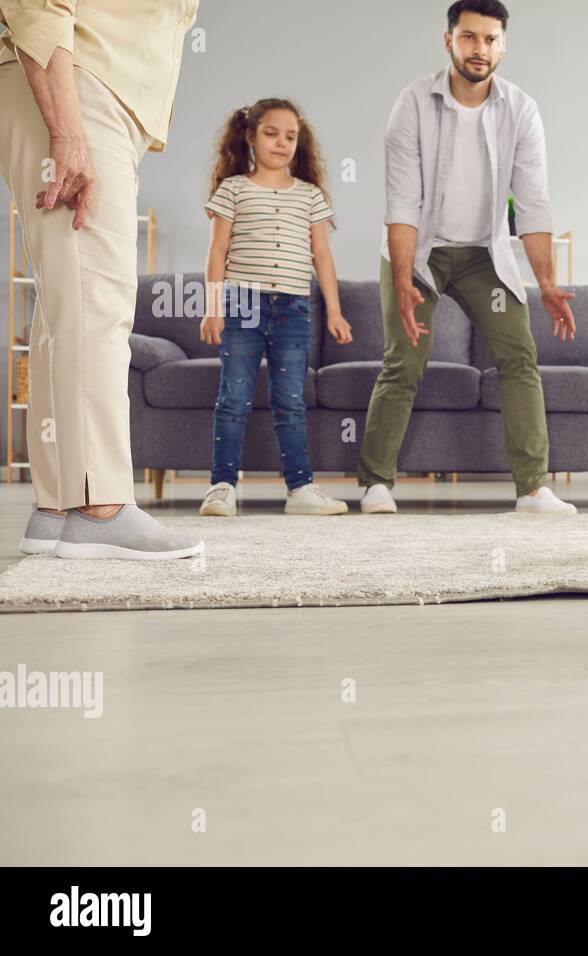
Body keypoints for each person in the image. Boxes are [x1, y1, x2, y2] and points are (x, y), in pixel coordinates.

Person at [356, 0, 578, 515]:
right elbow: (401, 201)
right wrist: (408, 274)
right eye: (470, 37)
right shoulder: (411, 103)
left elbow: (533, 201)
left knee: (519, 357)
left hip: (485, 258)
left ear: (503, 44)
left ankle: (532, 488)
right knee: (404, 360)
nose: (481, 49)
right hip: (421, 253)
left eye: (491, 39)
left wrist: (545, 282)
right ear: (449, 41)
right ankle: (375, 483)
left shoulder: (521, 109)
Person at [1, 0, 205, 560]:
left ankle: (60, 505)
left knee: (68, 303)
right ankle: (102, 507)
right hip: (76, 86)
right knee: (97, 301)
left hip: (84, 88)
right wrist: (67, 130)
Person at [198, 99, 353, 517]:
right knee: (234, 397)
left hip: (293, 309)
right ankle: (222, 486)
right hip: (241, 304)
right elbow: (218, 251)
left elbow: (322, 256)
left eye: (290, 136)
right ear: (249, 136)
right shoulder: (232, 189)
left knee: (290, 401)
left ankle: (300, 488)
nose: (281, 143)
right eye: (271, 133)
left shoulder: (310, 196)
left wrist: (335, 312)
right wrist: (213, 309)